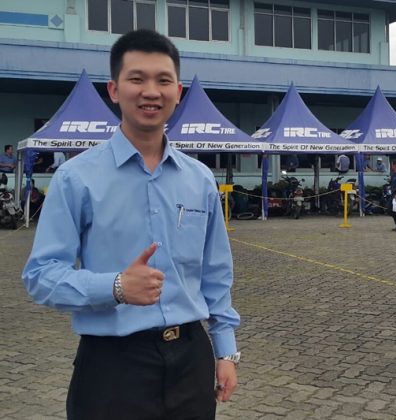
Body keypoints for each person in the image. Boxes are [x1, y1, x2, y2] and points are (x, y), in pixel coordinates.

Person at [22, 29, 240, 420]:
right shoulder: (76, 178)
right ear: (114, 89)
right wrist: (116, 287)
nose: (151, 92)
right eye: (137, 79)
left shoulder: (200, 179)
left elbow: (215, 274)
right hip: (112, 366)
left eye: (163, 80)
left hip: (191, 359)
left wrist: (225, 351)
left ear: (178, 92)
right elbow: (41, 276)